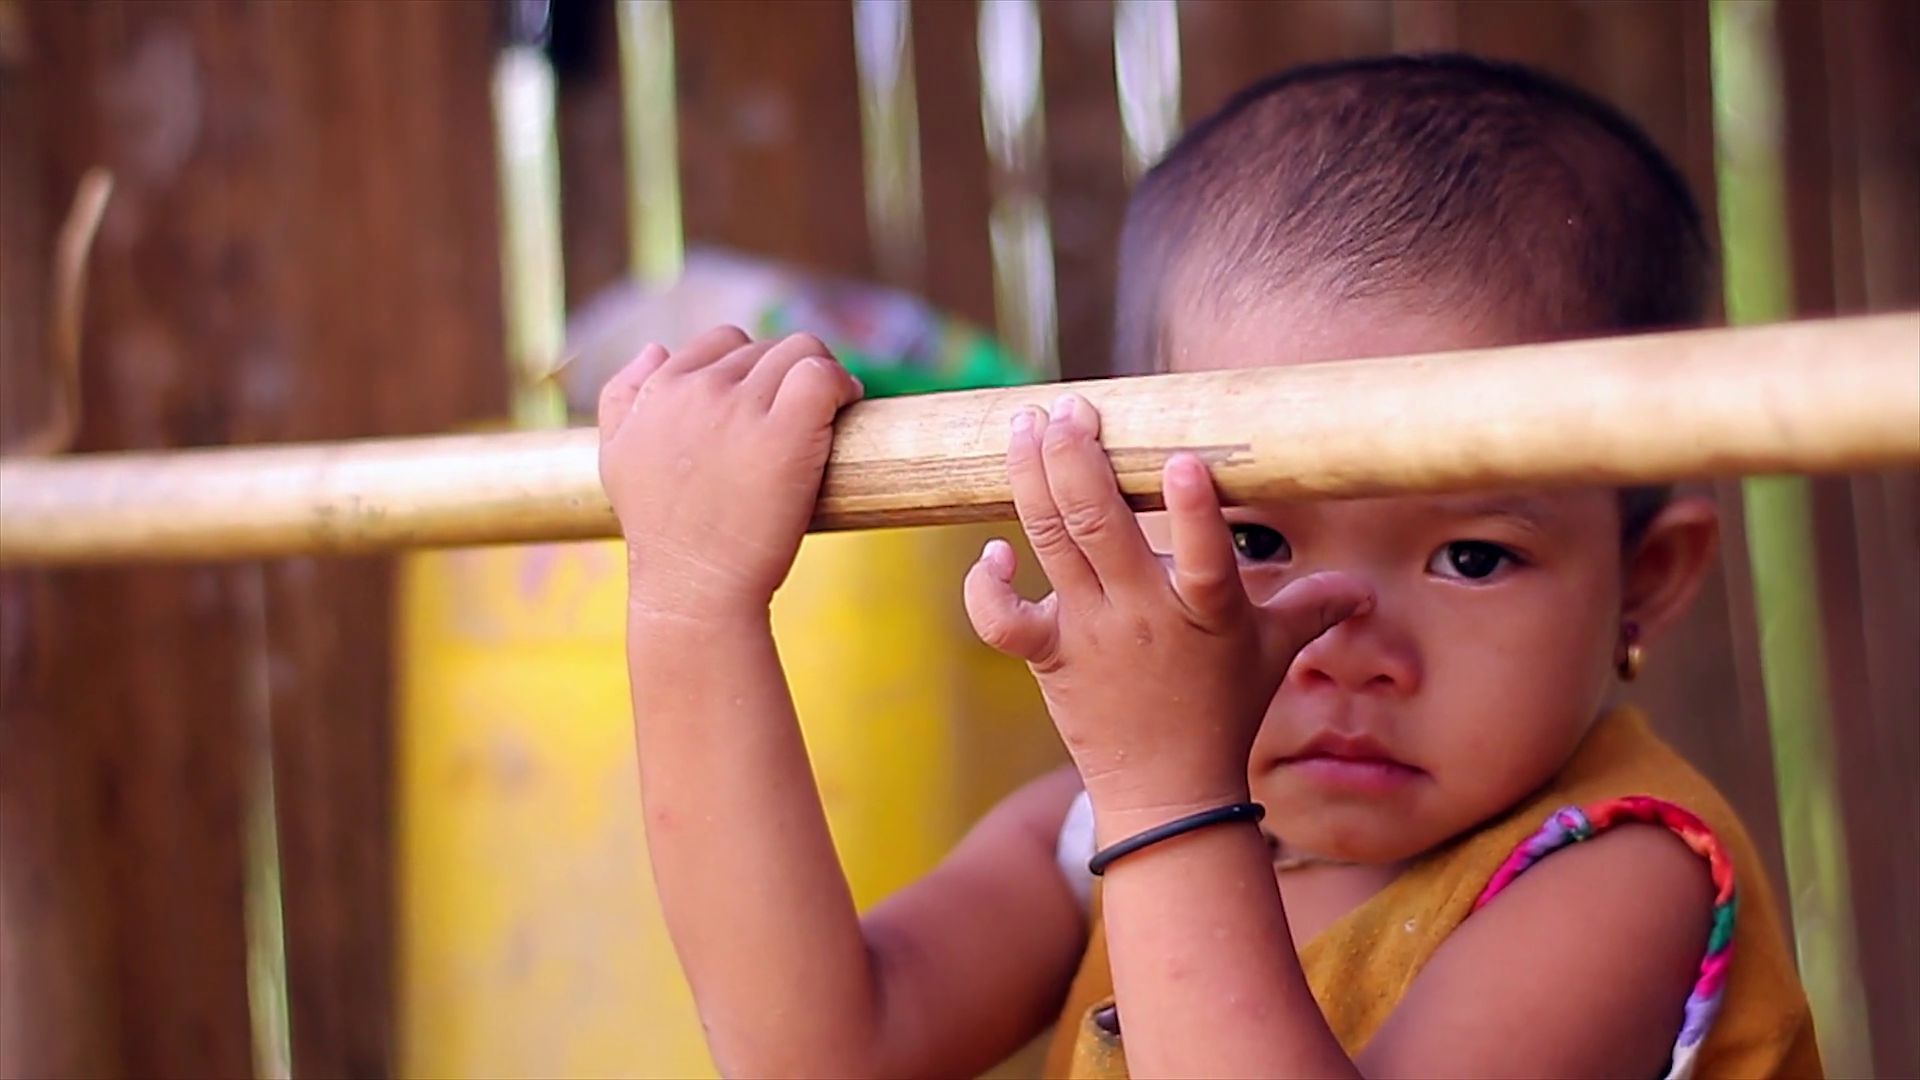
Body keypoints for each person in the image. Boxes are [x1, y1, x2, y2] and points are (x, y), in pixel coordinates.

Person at [594, 53, 1821, 1079]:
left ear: (1647, 578)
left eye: (1472, 555)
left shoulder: (1619, 876)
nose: (1348, 651)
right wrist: (696, 607)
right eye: (1254, 540)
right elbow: (814, 1053)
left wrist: (1170, 801)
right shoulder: (1088, 833)